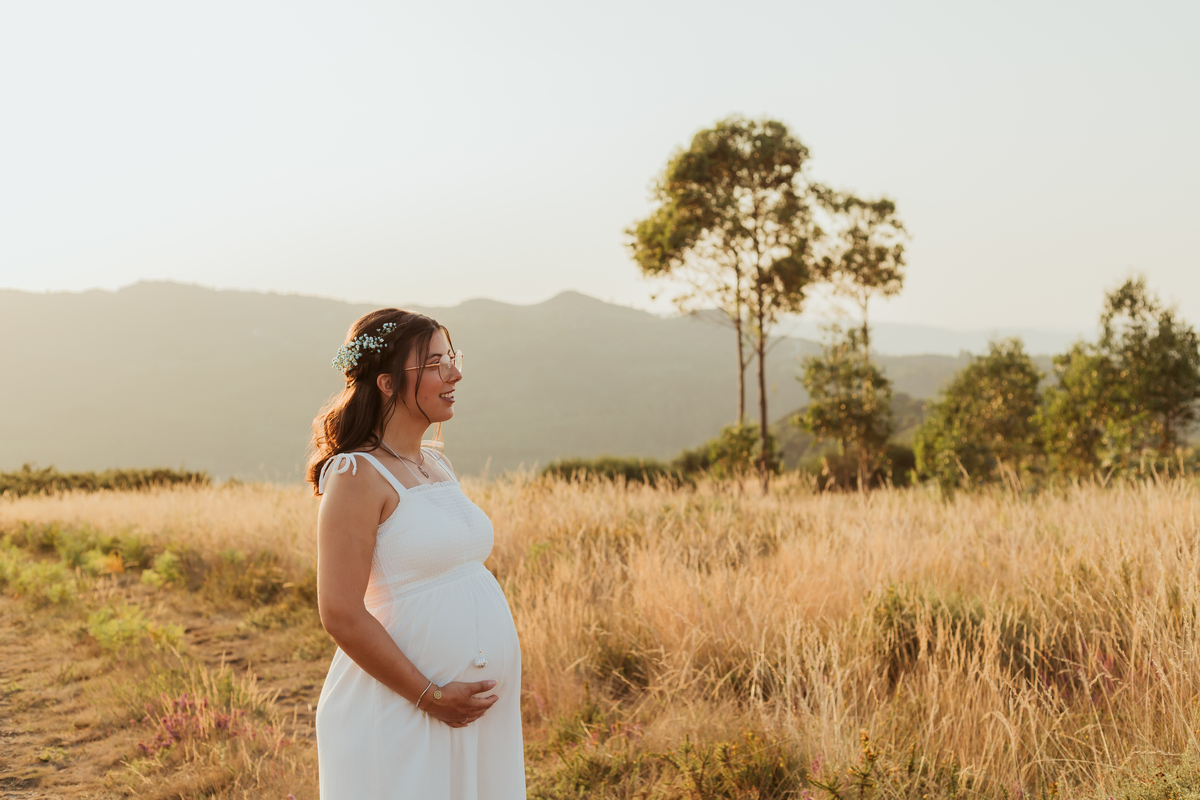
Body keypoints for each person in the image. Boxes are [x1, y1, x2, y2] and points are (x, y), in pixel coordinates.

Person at [306, 309, 524, 799]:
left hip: (474, 718)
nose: (455, 374)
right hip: (402, 713)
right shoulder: (355, 475)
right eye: (435, 364)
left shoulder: (437, 465)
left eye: (453, 358)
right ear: (386, 382)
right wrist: (432, 696)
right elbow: (339, 611)